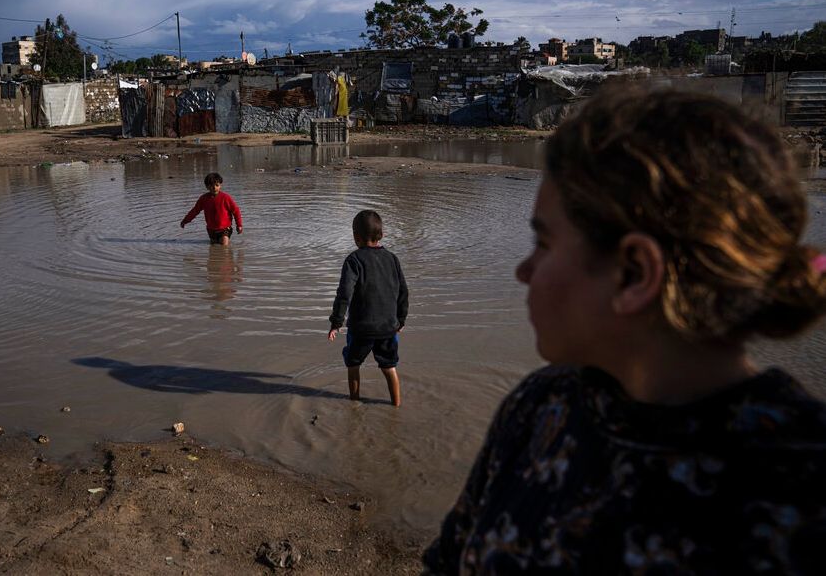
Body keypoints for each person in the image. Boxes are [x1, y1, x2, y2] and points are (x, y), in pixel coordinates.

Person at [423, 87, 826, 574]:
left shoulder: (803, 489)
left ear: (635, 274)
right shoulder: (541, 408)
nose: (523, 271)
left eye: (543, 242)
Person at [328, 210, 408, 407]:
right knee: (389, 367)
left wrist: (336, 322)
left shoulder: (354, 260)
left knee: (353, 364)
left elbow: (344, 293)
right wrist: (401, 320)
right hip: (388, 327)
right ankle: (396, 405)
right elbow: (403, 291)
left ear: (356, 237)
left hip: (361, 328)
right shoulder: (392, 259)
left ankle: (354, 403)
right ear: (382, 235)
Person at [180, 172, 243, 245]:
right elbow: (195, 211)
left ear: (220, 185)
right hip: (211, 230)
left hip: (225, 228)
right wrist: (185, 220)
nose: (214, 188)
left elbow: (236, 211)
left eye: (217, 185)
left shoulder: (226, 198)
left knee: (224, 246)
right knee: (213, 248)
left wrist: (239, 225)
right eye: (211, 186)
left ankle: (226, 255)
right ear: (207, 187)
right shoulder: (203, 199)